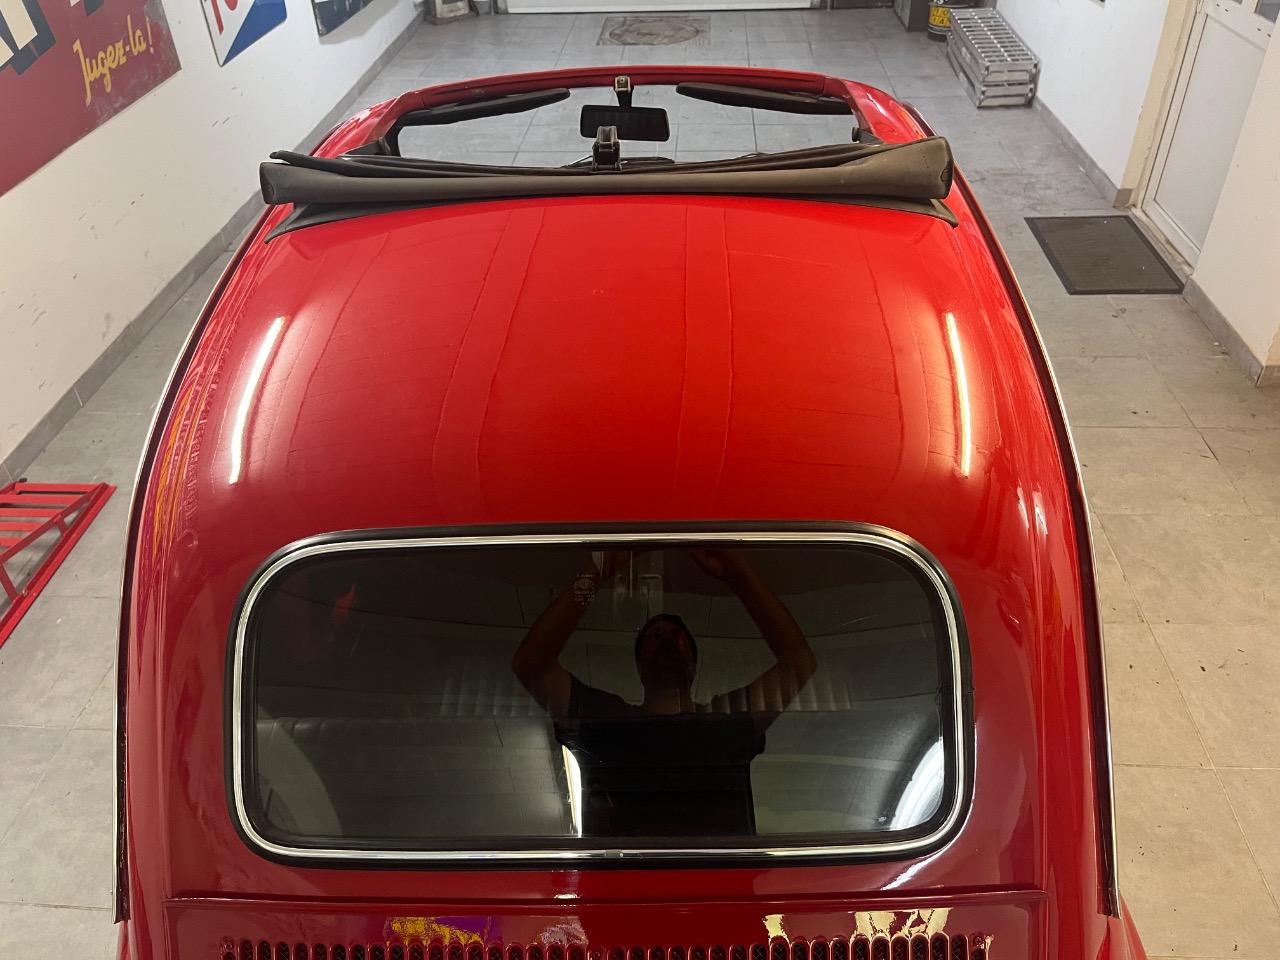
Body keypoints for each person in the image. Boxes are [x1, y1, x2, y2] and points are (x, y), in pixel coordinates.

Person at [512, 548, 816, 838]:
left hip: (718, 875)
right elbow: (531, 666)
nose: (667, 638)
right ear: (640, 667)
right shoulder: (606, 722)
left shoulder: (725, 723)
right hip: (627, 875)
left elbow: (799, 666)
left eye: (677, 636)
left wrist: (740, 575)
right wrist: (595, 572)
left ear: (693, 665)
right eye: (656, 636)